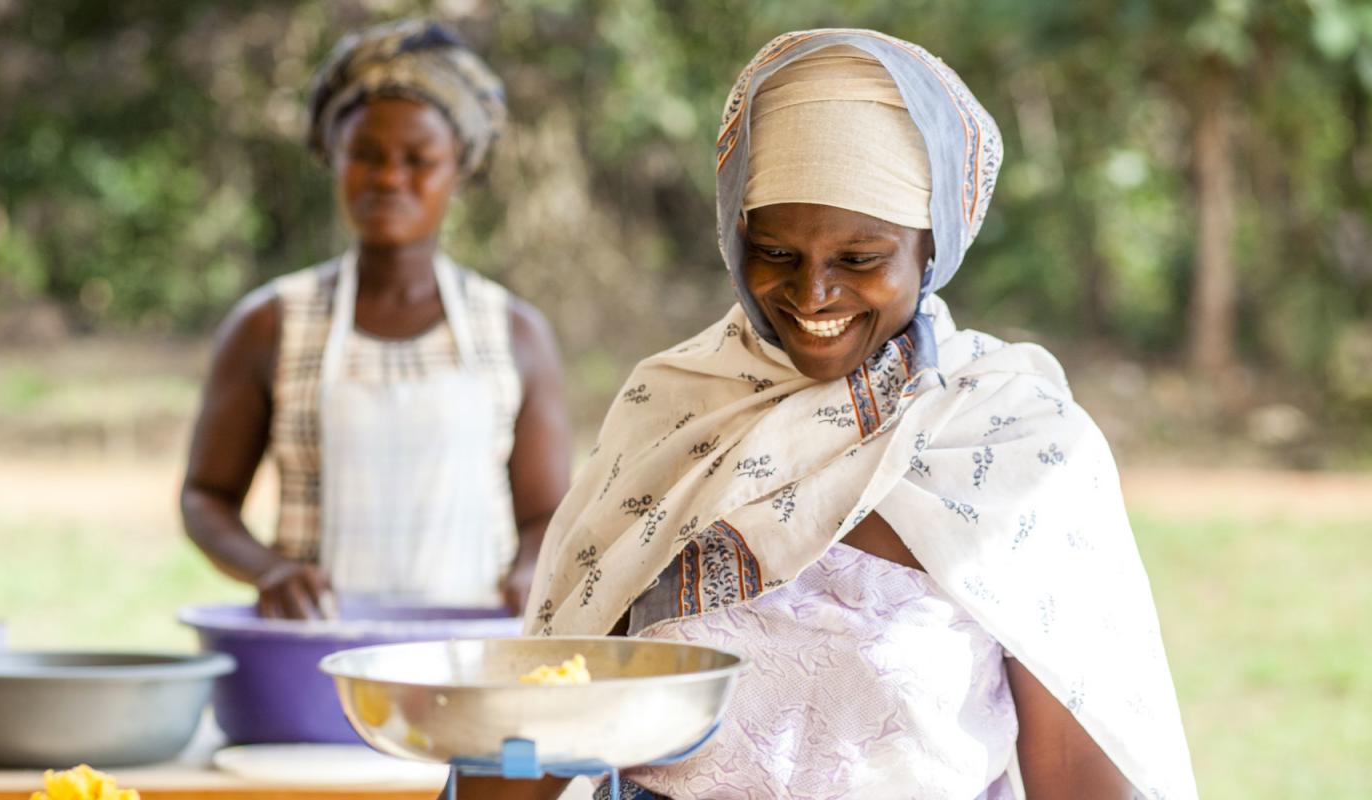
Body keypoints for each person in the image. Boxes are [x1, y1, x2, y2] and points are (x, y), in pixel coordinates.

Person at [460, 29, 1196, 799]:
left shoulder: (1016, 443)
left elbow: (1077, 776)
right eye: (776, 252)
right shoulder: (673, 413)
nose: (813, 296)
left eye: (860, 259)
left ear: (931, 245)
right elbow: (555, 704)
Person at [181, 19, 570, 618]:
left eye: (419, 159)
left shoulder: (513, 331)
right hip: (317, 647)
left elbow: (545, 513)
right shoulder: (271, 324)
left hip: (471, 650)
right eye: (366, 154)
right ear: (331, 157)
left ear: (460, 168)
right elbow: (206, 497)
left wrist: (526, 572)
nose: (389, 177)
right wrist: (272, 570)